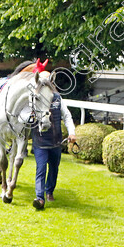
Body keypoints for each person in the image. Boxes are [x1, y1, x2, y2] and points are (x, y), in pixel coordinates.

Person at [31, 82, 77, 210]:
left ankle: (49, 191)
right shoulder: (34, 97)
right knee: (41, 169)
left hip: (56, 141)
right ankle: (40, 198)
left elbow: (67, 116)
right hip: (40, 141)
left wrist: (72, 132)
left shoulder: (57, 98)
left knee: (54, 168)